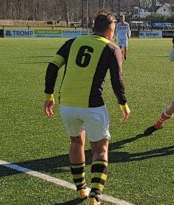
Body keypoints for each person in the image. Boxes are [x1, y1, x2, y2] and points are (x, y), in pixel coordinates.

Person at [44, 10, 130, 205]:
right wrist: (123, 103)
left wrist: (48, 95)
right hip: (93, 106)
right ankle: (95, 195)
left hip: (67, 105)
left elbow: (52, 66)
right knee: (100, 149)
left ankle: (82, 189)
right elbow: (117, 80)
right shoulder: (111, 48)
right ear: (110, 30)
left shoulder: (73, 42)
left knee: (76, 142)